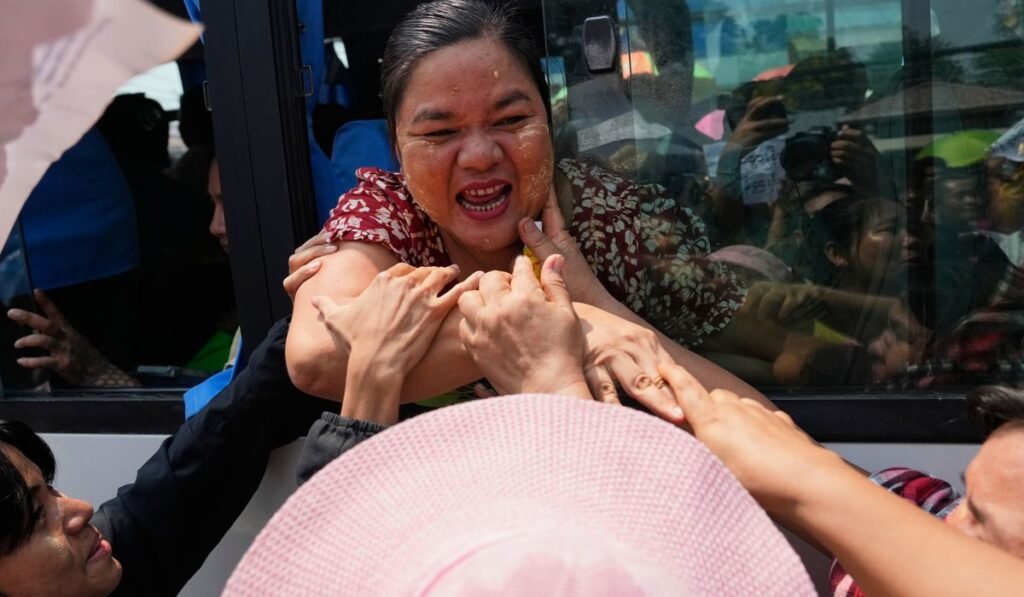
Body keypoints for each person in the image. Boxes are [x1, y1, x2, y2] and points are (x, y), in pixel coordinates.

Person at [287, 0, 782, 423]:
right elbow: (315, 358)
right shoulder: (387, 215)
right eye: (440, 133)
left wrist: (600, 307)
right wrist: (569, 326)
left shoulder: (607, 217)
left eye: (511, 120)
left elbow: (775, 385)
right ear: (397, 150)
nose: (480, 155)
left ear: (550, 127)